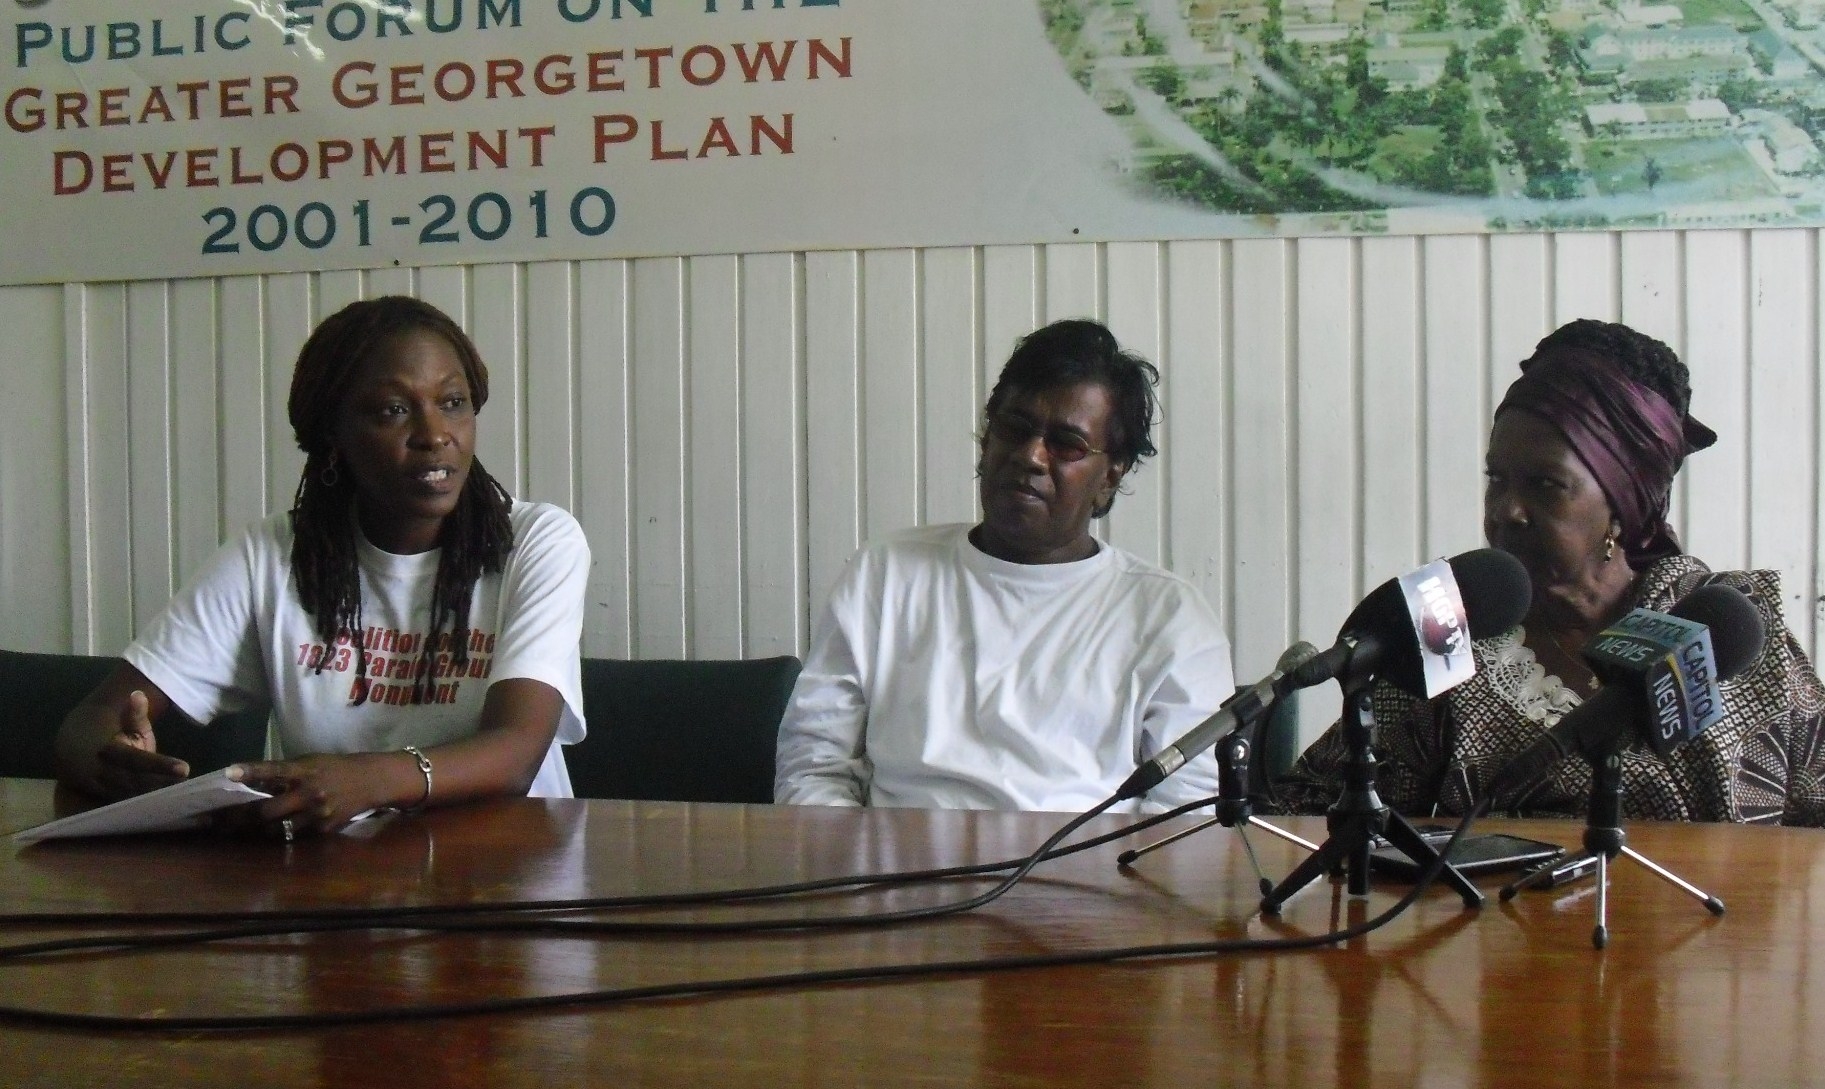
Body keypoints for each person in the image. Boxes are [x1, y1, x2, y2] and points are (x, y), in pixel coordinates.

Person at [54, 296, 590, 835]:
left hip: (511, 878)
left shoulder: (537, 541)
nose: (434, 434)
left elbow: (517, 752)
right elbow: (87, 726)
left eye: (453, 402)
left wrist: (366, 781)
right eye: (393, 410)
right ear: (332, 433)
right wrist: (121, 767)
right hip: (333, 883)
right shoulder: (272, 555)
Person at [1274, 319, 1825, 825]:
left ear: (1621, 505)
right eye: (1497, 479)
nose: (1506, 510)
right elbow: (1303, 818)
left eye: (1545, 484)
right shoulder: (1449, 636)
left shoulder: (1724, 626)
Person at [774, 318, 1235, 812]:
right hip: (896, 873)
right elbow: (814, 764)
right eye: (1014, 428)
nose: (1030, 456)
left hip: (1087, 877)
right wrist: (857, 874)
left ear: (1110, 476)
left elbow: (1188, 811)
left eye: (1066, 444)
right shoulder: (885, 575)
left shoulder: (1169, 618)